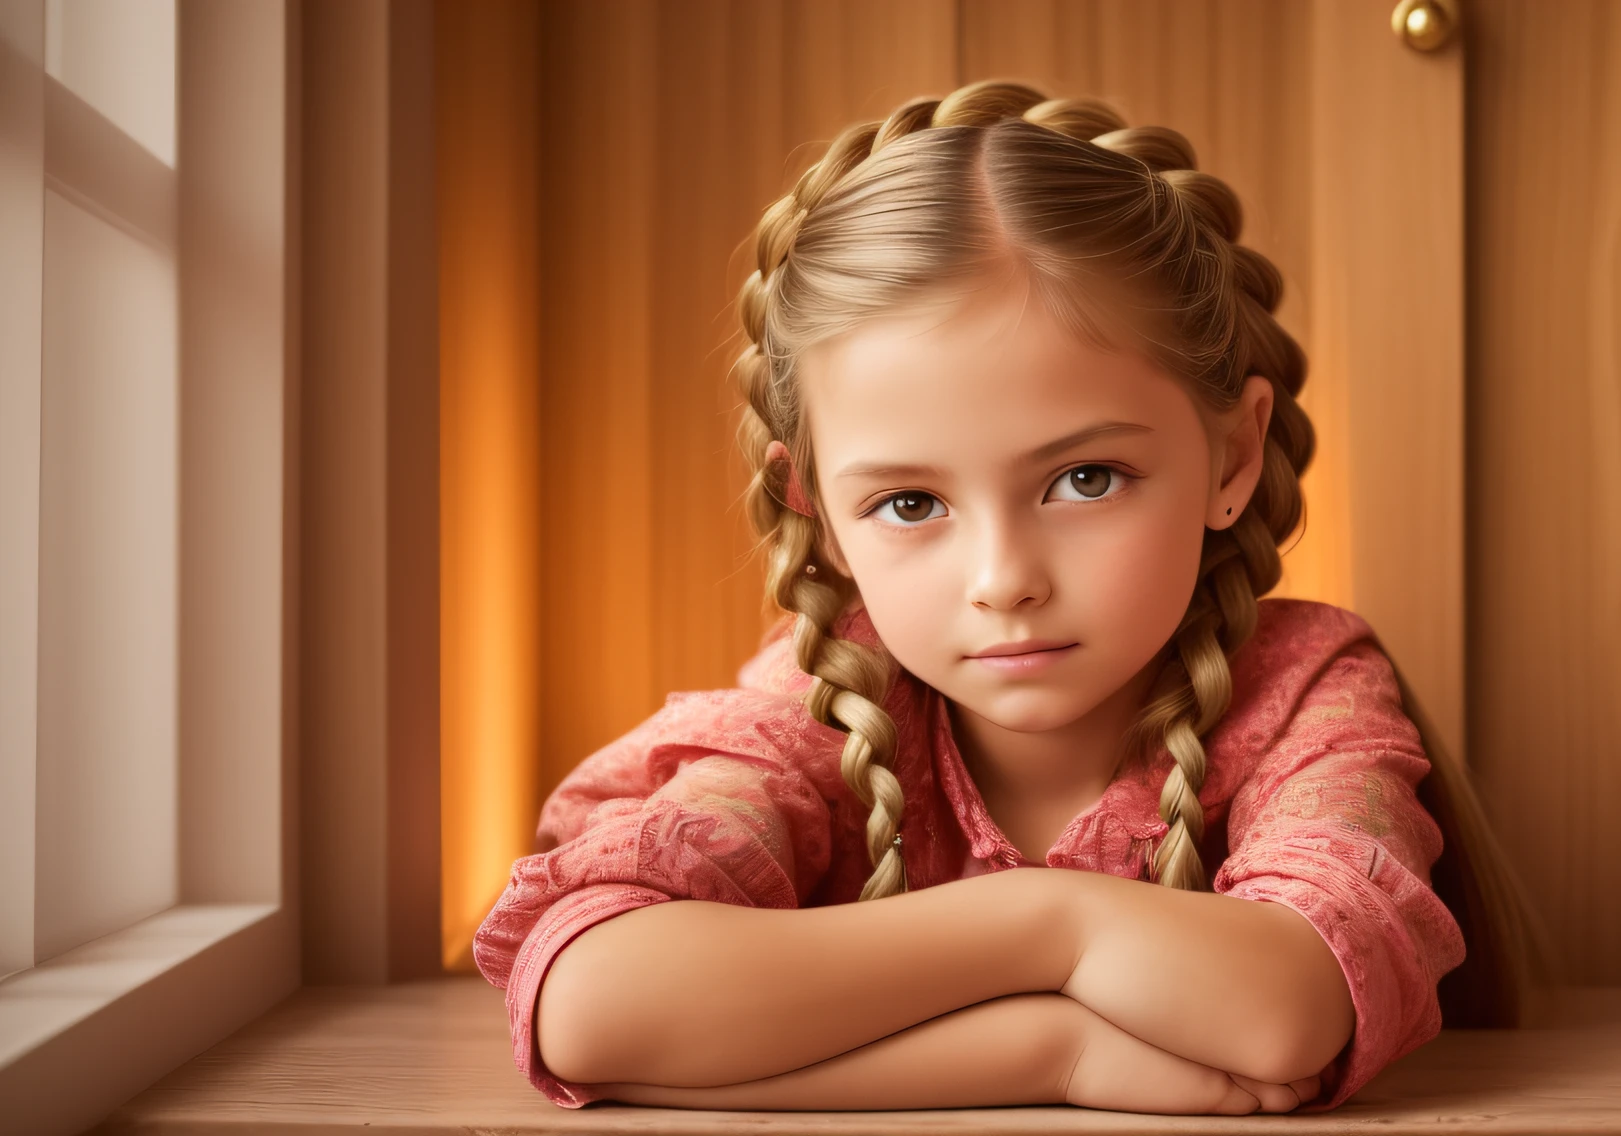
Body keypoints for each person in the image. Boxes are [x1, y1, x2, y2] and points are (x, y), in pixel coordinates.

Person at [472, 79, 1546, 1116]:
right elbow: (590, 1003)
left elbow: (1286, 1009)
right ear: (820, 510)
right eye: (906, 500)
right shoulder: (824, 702)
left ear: (1232, 453)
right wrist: (1054, 1031)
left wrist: (750, 1051)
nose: (1002, 579)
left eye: (1085, 479)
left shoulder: (1303, 687)